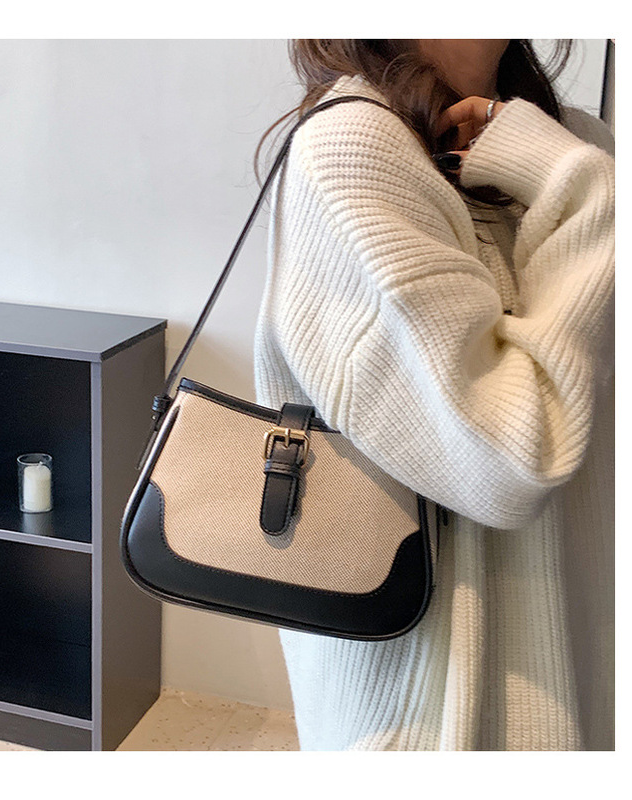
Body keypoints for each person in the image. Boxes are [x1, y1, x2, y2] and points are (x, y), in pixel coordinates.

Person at [252, 39, 615, 751]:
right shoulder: (354, 149)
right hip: (438, 706)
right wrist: (592, 189)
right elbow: (513, 456)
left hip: (589, 651)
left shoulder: (578, 140)